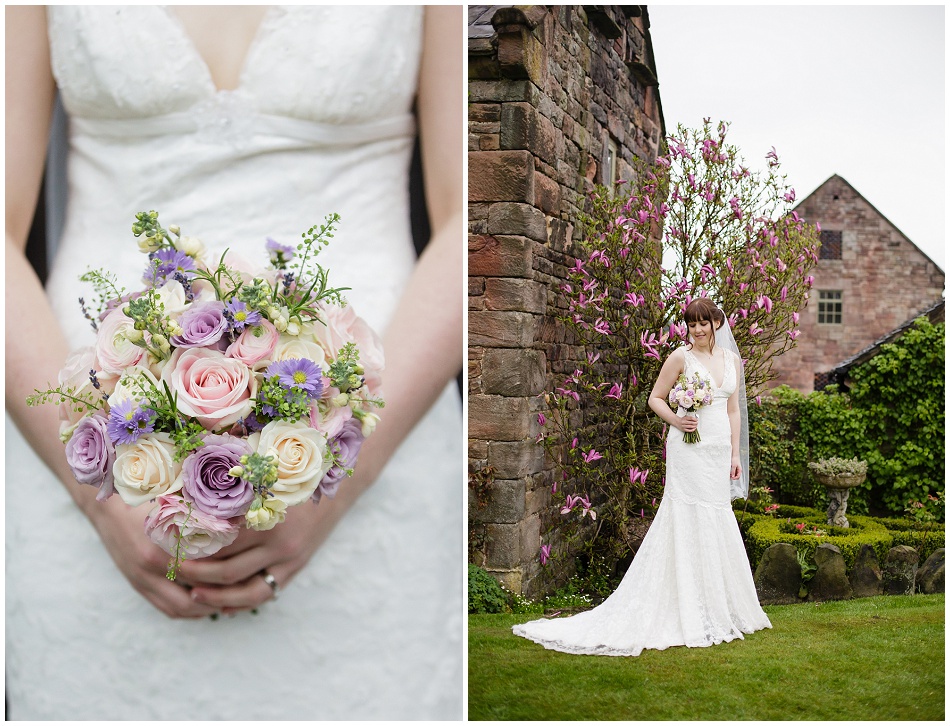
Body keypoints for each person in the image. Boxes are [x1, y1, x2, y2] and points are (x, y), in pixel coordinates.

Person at [5, 5, 462, 719]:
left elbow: (474, 217)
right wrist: (89, 483)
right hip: (81, 452)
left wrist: (341, 470)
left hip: (383, 444)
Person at [512, 297, 771, 655]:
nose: (697, 330)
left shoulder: (732, 361)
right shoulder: (680, 357)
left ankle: (718, 604)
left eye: (703, 323)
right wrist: (678, 420)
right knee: (685, 513)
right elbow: (655, 398)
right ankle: (681, 604)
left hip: (716, 450)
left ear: (716, 324)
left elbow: (733, 410)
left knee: (715, 514)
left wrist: (734, 454)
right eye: (691, 323)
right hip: (687, 447)